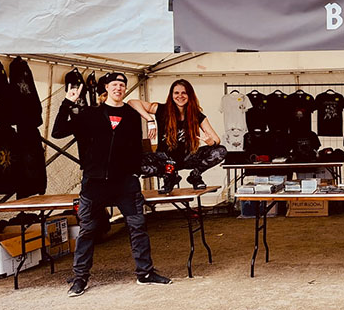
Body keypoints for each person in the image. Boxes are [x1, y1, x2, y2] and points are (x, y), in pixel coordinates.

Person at [52, 72, 171, 297]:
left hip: (125, 182)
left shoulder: (132, 115)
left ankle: (145, 274)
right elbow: (57, 132)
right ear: (106, 88)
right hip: (94, 183)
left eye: (122, 85)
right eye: (115, 84)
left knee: (138, 227)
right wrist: (67, 102)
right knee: (87, 230)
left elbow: (136, 147)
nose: (119, 88)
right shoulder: (90, 114)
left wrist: (135, 172)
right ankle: (80, 279)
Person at [129, 79, 225, 193]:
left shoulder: (196, 115)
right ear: (171, 95)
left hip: (187, 157)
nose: (180, 96)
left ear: (189, 95)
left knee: (220, 151)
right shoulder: (161, 109)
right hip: (165, 160)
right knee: (133, 162)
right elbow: (132, 102)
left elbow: (216, 140)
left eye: (184, 93)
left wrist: (210, 142)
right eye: (176, 93)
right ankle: (169, 177)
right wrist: (149, 120)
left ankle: (195, 176)